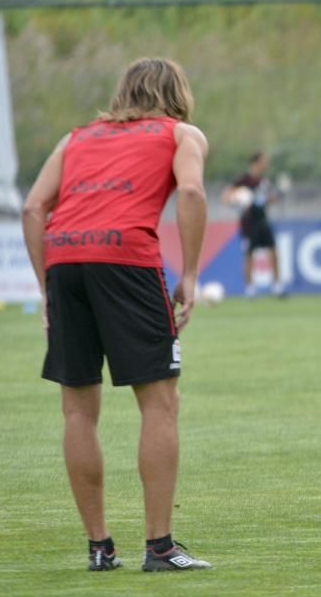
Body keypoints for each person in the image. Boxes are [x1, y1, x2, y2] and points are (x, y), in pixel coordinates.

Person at [21, 58, 213, 571]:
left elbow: (34, 207)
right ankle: (160, 548)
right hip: (126, 259)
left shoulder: (76, 138)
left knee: (78, 410)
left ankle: (100, 549)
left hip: (65, 258)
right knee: (159, 403)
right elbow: (191, 192)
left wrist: (46, 290)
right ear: (178, 93)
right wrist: (189, 275)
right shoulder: (181, 133)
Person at [223, 152, 287, 298]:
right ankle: (250, 288)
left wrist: (280, 193)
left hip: (263, 219)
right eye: (264, 161)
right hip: (248, 222)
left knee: (273, 251)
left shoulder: (264, 181)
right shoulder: (244, 180)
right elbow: (227, 196)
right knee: (249, 254)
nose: (266, 164)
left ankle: (277, 286)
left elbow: (268, 199)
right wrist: (237, 200)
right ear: (256, 162)